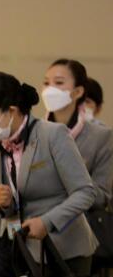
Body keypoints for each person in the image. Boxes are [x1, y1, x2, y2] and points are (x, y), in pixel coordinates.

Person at [0, 71, 96, 273]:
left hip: (66, 251)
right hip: (22, 252)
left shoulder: (52, 134)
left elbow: (85, 192)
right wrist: (5, 204)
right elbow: (7, 208)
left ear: (11, 111)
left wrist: (47, 223)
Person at [42, 59, 113, 210]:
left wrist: (69, 182)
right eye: (46, 83)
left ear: (78, 91)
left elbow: (102, 195)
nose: (50, 90)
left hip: (81, 226)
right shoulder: (35, 133)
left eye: (59, 83)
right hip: (38, 225)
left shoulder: (100, 136)